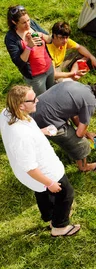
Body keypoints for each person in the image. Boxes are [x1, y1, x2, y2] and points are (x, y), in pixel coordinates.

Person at [0, 85, 80, 237]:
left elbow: (26, 136)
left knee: (42, 193)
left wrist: (40, 132)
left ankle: (49, 216)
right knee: (66, 194)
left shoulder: (6, 113)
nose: (37, 100)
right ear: (21, 105)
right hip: (45, 171)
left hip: (35, 175)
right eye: (33, 99)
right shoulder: (21, 135)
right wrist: (49, 182)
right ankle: (59, 227)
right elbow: (30, 167)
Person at [30, 81, 96, 172]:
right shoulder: (90, 102)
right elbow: (79, 134)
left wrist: (87, 133)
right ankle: (84, 167)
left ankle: (69, 149)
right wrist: (84, 135)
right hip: (46, 122)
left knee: (72, 134)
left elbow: (74, 115)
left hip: (33, 110)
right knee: (82, 144)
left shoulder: (75, 84)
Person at [4, 5, 54, 95]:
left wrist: (41, 35)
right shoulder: (11, 38)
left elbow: (50, 40)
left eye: (28, 20)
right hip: (36, 77)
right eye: (23, 23)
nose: (27, 24)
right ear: (14, 22)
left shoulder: (32, 24)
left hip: (49, 68)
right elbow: (19, 62)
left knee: (53, 93)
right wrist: (29, 47)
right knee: (41, 101)